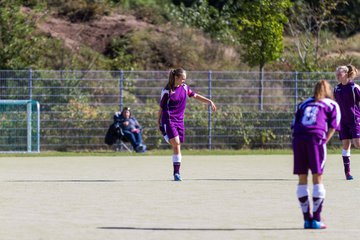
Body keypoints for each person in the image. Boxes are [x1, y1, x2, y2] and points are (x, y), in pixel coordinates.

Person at [292, 80, 341, 229]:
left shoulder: (304, 103)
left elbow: (294, 124)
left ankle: (307, 220)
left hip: (298, 138)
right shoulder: (332, 104)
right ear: (328, 90)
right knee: (317, 177)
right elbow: (334, 125)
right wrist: (324, 141)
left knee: (302, 179)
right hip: (315, 139)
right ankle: (316, 219)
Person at [157, 68, 216, 181]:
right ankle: (165, 133)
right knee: (176, 143)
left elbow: (195, 96)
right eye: (183, 79)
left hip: (180, 121)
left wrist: (209, 101)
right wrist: (158, 122)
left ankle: (176, 173)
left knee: (177, 145)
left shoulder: (184, 88)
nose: (184, 81)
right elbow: (161, 108)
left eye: (185, 79)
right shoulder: (166, 91)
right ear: (176, 78)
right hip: (168, 120)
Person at [334, 64, 360, 180]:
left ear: (346, 74)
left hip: (355, 120)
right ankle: (347, 173)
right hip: (343, 122)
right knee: (345, 145)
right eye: (337, 74)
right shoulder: (337, 89)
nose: (338, 76)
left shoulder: (354, 87)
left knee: (357, 144)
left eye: (340, 73)